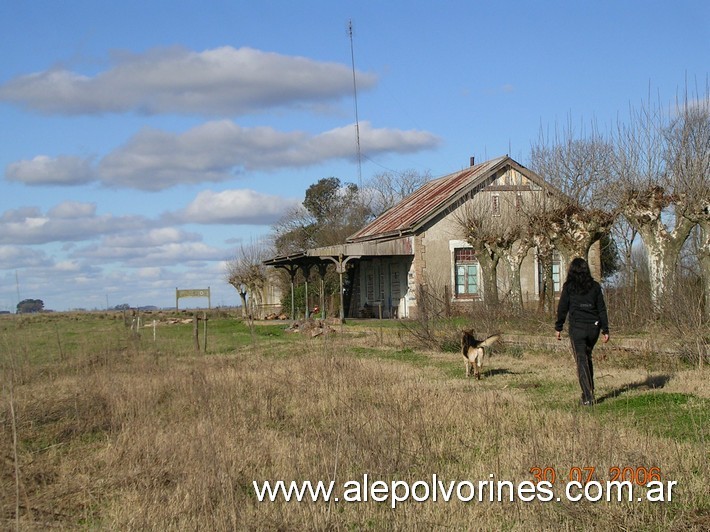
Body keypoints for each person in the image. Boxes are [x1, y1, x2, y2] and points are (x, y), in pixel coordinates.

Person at [555, 257, 609, 406]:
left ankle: (587, 396)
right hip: (594, 328)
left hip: (577, 328)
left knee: (581, 360)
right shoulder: (595, 287)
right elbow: (602, 309)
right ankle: (589, 390)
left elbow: (562, 308)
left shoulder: (569, 287)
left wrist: (558, 327)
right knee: (587, 357)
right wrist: (605, 329)